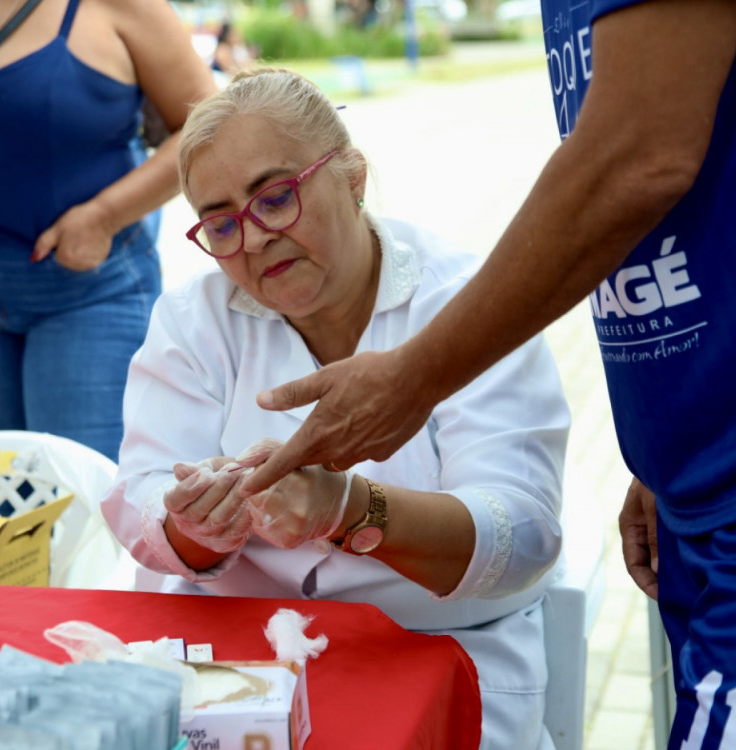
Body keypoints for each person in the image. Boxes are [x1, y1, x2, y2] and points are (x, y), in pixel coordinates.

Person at [234, 0, 736, 748]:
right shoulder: (200, 317)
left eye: (275, 197)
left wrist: (412, 380)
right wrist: (681, 438)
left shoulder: (432, 280)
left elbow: (638, 154)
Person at [102, 68, 571, 748]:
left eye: (276, 197)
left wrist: (350, 511)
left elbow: (523, 536)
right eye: (222, 222)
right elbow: (140, 500)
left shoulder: (465, 307)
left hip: (436, 646)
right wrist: (200, 526)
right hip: (238, 664)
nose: (254, 239)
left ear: (352, 175)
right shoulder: (193, 320)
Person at [0, 0, 216, 461]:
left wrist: (105, 216)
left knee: (82, 506)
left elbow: (206, 125)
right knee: (4, 500)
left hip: (85, 293)